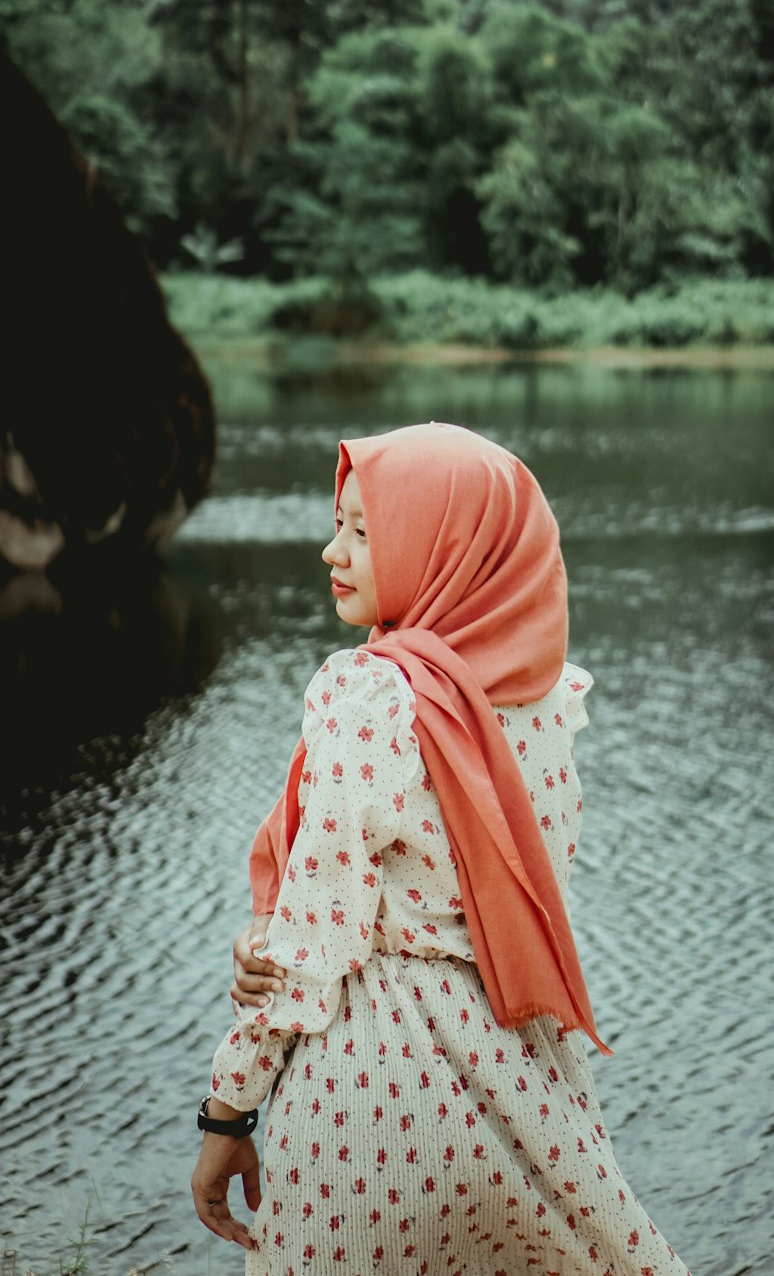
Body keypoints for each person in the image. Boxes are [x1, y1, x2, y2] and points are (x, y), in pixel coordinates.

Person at [191, 423, 693, 1274]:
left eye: (360, 528)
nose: (330, 549)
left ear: (442, 544)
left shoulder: (372, 695)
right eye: (336, 522)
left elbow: (317, 937)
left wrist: (229, 1112)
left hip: (367, 1092)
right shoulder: (541, 710)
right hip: (515, 1082)